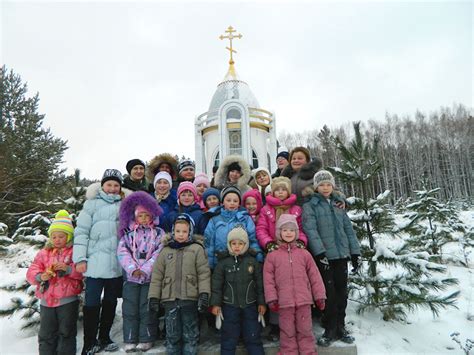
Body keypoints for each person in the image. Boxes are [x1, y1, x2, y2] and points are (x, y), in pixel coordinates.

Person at [73, 169, 131, 354]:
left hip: (115, 263)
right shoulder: (91, 205)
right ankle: (89, 342)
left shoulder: (125, 206)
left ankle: (104, 337)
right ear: (102, 185)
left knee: (111, 301)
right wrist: (80, 258)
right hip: (94, 264)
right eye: (109, 185)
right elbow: (81, 232)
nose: (113, 188)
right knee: (91, 303)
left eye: (116, 185)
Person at [302, 170, 361, 346]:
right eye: (321, 184)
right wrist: (319, 253)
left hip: (341, 255)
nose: (325, 187)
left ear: (332, 185)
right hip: (325, 257)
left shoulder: (338, 203)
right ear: (316, 187)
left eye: (328, 184)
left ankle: (340, 326)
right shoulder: (310, 205)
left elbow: (347, 229)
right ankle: (329, 328)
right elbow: (310, 230)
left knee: (342, 292)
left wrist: (355, 252)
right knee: (329, 294)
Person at [148, 214, 211, 355]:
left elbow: (203, 274)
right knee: (172, 335)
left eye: (184, 231)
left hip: (190, 299)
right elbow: (157, 276)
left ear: (190, 232)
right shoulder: (165, 251)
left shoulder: (197, 249)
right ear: (173, 231)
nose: (181, 235)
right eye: (178, 231)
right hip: (170, 300)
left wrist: (204, 294)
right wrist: (153, 297)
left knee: (190, 335)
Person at [263, 214, 326, 354]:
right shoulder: (272, 256)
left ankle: (308, 352)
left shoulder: (304, 254)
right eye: (285, 230)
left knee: (305, 330)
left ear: (296, 232)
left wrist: (319, 296)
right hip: (284, 303)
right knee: (287, 332)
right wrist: (272, 298)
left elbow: (314, 276)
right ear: (279, 232)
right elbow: (268, 280)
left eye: (291, 230)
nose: (288, 233)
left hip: (304, 301)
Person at [27, 210, 83, 355]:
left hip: (67, 300)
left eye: (61, 236)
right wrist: (41, 277)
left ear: (69, 236)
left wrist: (69, 269)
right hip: (47, 300)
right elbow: (31, 272)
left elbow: (83, 272)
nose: (57, 240)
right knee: (46, 334)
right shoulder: (43, 253)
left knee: (67, 332)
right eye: (54, 236)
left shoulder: (75, 252)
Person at [117, 191, 165, 352]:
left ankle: (146, 337)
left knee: (147, 308)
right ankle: (130, 337)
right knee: (130, 308)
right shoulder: (129, 235)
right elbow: (122, 252)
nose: (144, 218)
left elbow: (159, 252)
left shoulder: (159, 234)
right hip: (131, 279)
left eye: (147, 215)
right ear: (135, 217)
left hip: (149, 278)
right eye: (140, 215)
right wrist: (132, 269)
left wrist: (145, 269)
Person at [210, 226, 266, 355]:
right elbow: (217, 286)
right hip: (230, 306)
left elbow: (259, 285)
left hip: (250, 305)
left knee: (253, 335)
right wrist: (216, 304)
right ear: (229, 244)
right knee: (229, 337)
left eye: (240, 244)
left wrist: (262, 303)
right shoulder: (223, 263)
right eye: (234, 243)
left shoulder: (252, 262)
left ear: (245, 245)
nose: (237, 247)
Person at [204, 186, 263, 269]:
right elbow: (209, 242)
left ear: (239, 203)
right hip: (220, 261)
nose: (232, 203)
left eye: (235, 201)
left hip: (241, 260)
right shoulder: (214, 220)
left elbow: (252, 238)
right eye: (228, 200)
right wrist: (210, 263)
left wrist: (258, 255)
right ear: (222, 202)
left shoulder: (245, 219)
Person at [256, 176, 308, 253]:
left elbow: (300, 229)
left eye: (284, 190)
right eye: (277, 190)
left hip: (293, 249)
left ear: (288, 192)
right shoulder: (266, 209)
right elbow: (261, 229)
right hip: (273, 249)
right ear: (273, 192)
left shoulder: (296, 209)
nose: (280, 192)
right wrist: (268, 243)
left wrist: (301, 240)